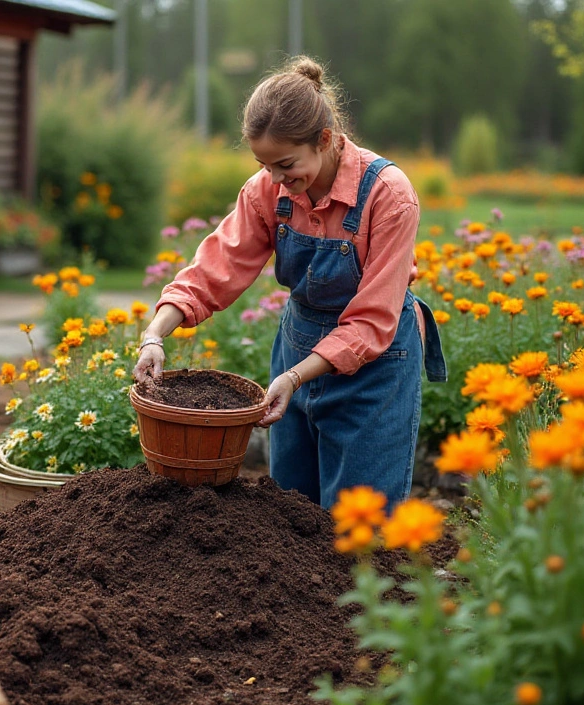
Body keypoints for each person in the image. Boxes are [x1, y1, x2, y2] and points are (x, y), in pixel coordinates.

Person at [133, 57, 446, 510]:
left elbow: (372, 319)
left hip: (374, 369)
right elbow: (213, 270)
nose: (276, 180)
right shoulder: (268, 189)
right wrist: (154, 336)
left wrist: (297, 377)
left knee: (361, 531)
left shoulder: (388, 195)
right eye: (265, 165)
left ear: (324, 139)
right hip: (296, 352)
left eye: (285, 164)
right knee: (293, 521)